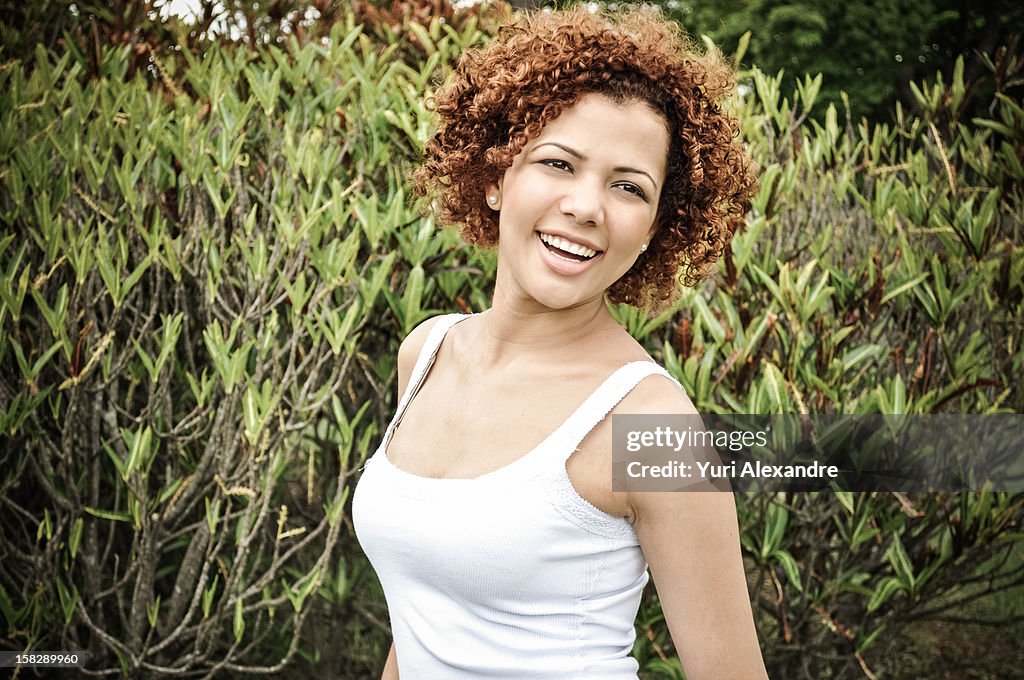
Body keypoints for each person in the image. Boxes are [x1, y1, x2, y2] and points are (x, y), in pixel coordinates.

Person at [352, 6, 766, 679]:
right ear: (493, 177)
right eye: (558, 163)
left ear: (657, 228)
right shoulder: (427, 354)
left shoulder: (649, 425)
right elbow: (425, 622)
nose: (586, 206)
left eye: (628, 186)